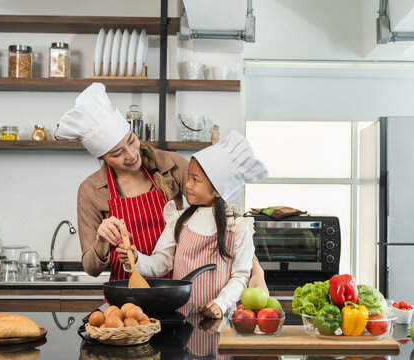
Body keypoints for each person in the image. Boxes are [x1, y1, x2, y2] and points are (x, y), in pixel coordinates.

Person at [57, 83, 268, 293]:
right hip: (126, 296)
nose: (131, 155)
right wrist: (101, 240)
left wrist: (255, 268)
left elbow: (223, 213)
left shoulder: (172, 165)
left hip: (175, 293)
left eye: (131, 140)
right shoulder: (91, 190)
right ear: (102, 157)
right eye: (116, 153)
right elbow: (91, 269)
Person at [117, 131, 268, 319]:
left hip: (219, 320)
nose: (187, 184)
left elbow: (240, 276)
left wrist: (220, 303)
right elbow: (162, 262)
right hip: (180, 316)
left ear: (218, 190)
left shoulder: (238, 228)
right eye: (189, 175)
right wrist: (137, 259)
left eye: (195, 180)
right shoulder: (179, 219)